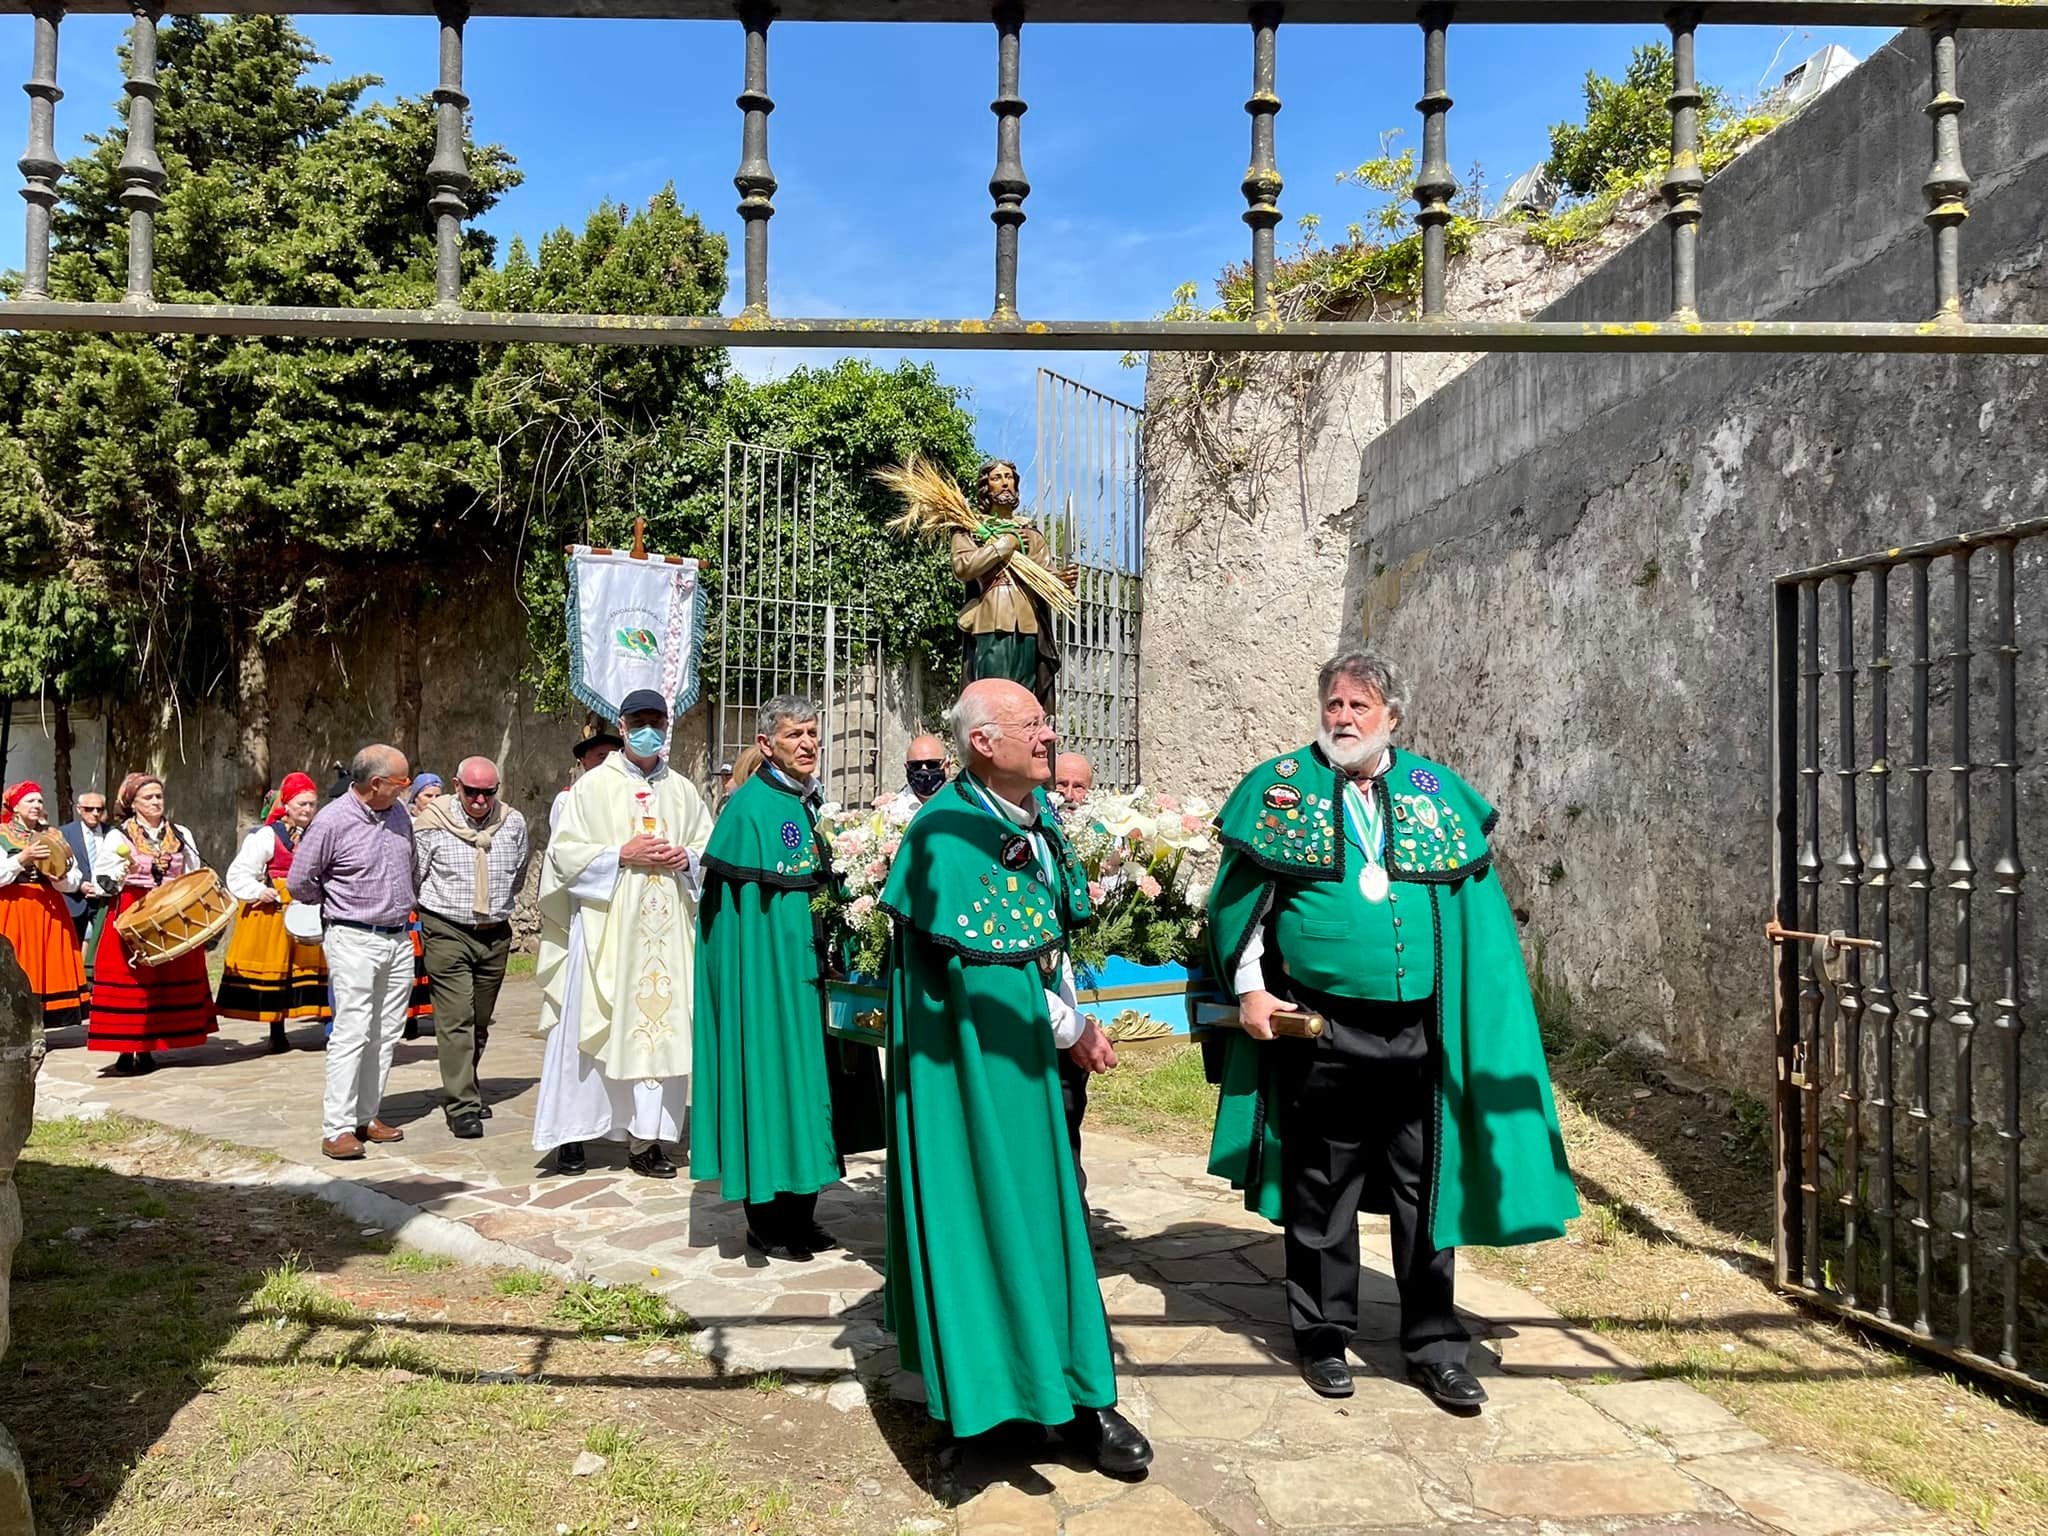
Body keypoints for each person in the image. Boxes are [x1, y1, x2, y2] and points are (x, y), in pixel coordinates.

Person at [1203, 652, 1578, 1411]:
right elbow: (1244, 905)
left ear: (1392, 718)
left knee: (1424, 1190)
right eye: (1334, 703)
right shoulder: (1281, 788)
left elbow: (1477, 925)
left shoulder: (1435, 793)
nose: (1342, 717)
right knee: (1323, 1186)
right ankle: (1322, 1336)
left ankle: (1434, 1346)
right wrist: (1250, 991)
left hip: (1420, 1032)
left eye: (1360, 706)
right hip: (1321, 1027)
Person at [877, 679, 1148, 1475]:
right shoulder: (949, 834)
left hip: (1034, 1057)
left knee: (1054, 1219)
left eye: (1045, 721)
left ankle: (1073, 1394)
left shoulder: (1034, 820)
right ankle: (998, 1403)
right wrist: (1072, 1030)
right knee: (997, 1214)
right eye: (1031, 724)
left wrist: (1071, 1016)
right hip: (978, 1072)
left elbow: (1043, 947)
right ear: (983, 744)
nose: (1048, 733)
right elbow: (990, 976)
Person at [692, 696, 886, 1260]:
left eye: (812, 734)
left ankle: (802, 1215)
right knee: (773, 1080)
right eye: (795, 734)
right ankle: (767, 1222)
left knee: (816, 1085)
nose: (807, 744)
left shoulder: (811, 802)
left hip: (813, 974)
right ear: (765, 744)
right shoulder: (749, 809)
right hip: (770, 981)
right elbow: (737, 918)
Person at [534, 689, 714, 1179]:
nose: (648, 727)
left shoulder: (682, 789)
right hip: (605, 932)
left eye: (656, 719)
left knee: (661, 1034)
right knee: (586, 1029)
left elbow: (706, 846)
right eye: (639, 719)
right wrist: (620, 854)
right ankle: (572, 1135)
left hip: (667, 934)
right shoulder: (592, 787)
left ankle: (647, 1140)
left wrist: (689, 859)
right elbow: (563, 855)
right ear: (623, 723)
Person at [289, 745, 419, 1161]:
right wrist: (339, 908)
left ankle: (367, 1115)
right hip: (352, 936)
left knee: (386, 1033)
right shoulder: (331, 821)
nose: (407, 788)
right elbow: (300, 881)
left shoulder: (398, 814)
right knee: (352, 1032)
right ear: (376, 783)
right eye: (402, 781)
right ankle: (338, 1128)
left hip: (398, 936)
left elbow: (411, 863)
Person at [415, 755, 531, 1139]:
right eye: (472, 792)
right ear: (456, 785)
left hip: (494, 931)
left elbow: (519, 873)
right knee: (456, 1018)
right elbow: (416, 874)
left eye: (488, 792)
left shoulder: (512, 822)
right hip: (447, 928)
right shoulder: (432, 822)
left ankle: (465, 1080)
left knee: (479, 1021)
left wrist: (497, 907)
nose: (480, 800)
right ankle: (462, 1105)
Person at [87, 773, 215, 1075]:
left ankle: (151, 1047)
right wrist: (122, 871)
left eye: (159, 796)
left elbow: (193, 873)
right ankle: (125, 1047)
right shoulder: (119, 836)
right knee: (135, 980)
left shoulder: (180, 833)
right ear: (132, 803)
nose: (156, 801)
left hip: (171, 911)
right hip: (134, 910)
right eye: (148, 797)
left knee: (164, 978)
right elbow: (102, 882)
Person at [950, 460, 1077, 710]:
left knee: (1024, 698)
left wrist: (1062, 581)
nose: (1005, 482)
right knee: (991, 695)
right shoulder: (971, 528)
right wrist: (1005, 545)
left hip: (1027, 622)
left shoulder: (1031, 534)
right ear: (986, 487)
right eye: (997, 477)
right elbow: (963, 567)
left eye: (1009, 477)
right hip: (992, 618)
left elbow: (1045, 576)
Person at [216, 772, 330, 1052]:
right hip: (276, 909)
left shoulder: (320, 833)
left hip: (310, 905)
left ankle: (329, 1026)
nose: (307, 809)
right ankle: (276, 1029)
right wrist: (259, 891)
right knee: (280, 968)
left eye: (312, 804)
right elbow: (240, 873)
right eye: (301, 803)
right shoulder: (266, 836)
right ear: (287, 804)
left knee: (314, 967)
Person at [0, 782, 88, 1033]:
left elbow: (74, 880)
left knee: (47, 965)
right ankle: (16, 1023)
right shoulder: (2, 834)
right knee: (19, 963)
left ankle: (42, 1024)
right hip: (13, 908)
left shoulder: (53, 835)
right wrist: (21, 860)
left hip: (49, 909)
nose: (37, 805)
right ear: (15, 807)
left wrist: (57, 876)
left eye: (40, 801)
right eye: (30, 801)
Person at [59, 789, 115, 977]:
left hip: (104, 901)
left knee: (102, 948)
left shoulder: (113, 834)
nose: (95, 813)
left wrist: (103, 889)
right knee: (73, 950)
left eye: (99, 809)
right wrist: (80, 885)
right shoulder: (64, 833)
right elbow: (60, 868)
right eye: (89, 809)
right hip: (75, 900)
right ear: (79, 809)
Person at [553, 724, 622, 833]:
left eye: (614, 755)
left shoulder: (628, 795)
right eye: (602, 756)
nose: (609, 761)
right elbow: (563, 844)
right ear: (584, 761)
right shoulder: (568, 799)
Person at [884, 733, 950, 821]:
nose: (924, 770)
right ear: (907, 767)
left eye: (932, 764)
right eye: (915, 765)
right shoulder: (891, 812)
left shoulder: (962, 807)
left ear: (947, 766)